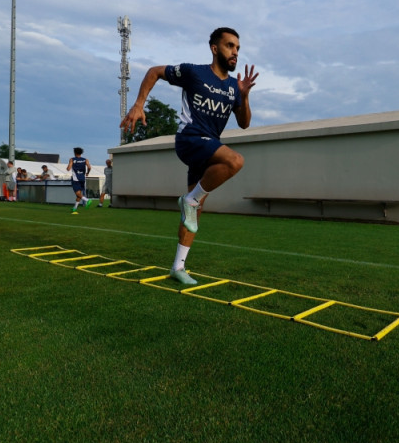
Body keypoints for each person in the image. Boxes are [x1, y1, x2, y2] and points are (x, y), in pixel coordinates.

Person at [120, 27, 259, 285]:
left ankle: (178, 266)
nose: (235, 52)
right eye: (230, 46)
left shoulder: (232, 87)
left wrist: (244, 95)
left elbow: (244, 123)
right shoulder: (195, 72)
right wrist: (139, 104)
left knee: (194, 213)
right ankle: (190, 201)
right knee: (235, 161)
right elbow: (154, 72)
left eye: (238, 48)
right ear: (215, 48)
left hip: (207, 148)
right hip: (190, 139)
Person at [66, 147, 92, 214]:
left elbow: (68, 169)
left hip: (75, 179)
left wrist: (68, 167)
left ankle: (87, 200)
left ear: (74, 152)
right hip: (82, 178)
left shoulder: (72, 159)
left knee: (77, 193)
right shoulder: (85, 160)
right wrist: (87, 173)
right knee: (79, 194)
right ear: (81, 153)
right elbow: (89, 167)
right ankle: (74, 208)